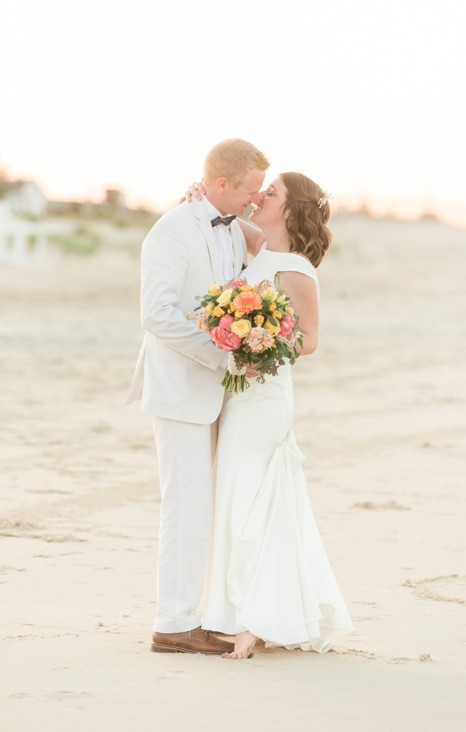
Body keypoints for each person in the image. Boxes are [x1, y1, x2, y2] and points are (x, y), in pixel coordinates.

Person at [199, 171, 354, 659]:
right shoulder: (260, 248)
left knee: (254, 501)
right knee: (233, 497)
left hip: (265, 397)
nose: (260, 195)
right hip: (237, 394)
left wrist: (256, 337)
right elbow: (216, 214)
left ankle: (252, 620)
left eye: (272, 192)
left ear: (288, 209)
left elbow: (309, 341)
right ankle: (240, 609)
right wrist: (197, 196)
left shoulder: (295, 268)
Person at [125, 138, 269, 654]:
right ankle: (174, 625)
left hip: (213, 392)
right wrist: (222, 353)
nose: (255, 200)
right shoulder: (170, 230)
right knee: (184, 508)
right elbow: (156, 314)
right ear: (222, 184)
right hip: (180, 387)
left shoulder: (231, 228)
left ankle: (193, 615)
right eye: (249, 190)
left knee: (201, 509)